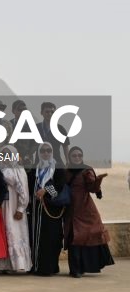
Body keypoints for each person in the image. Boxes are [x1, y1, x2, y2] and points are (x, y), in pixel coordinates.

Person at [63, 146, 114, 278]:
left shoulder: (86, 170)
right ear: (70, 157)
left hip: (85, 210)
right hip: (70, 210)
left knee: (87, 236)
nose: (77, 158)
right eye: (74, 155)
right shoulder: (66, 171)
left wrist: (98, 181)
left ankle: (82, 268)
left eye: (79, 155)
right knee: (73, 238)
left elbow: (92, 187)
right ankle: (74, 270)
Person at [0, 145, 32, 273]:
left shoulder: (19, 170)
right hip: (3, 206)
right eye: (3, 154)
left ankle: (18, 264)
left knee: (15, 233)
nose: (5, 157)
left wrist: (21, 208)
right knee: (3, 233)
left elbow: (24, 191)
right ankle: (2, 266)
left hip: (14, 206)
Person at [29, 143, 66, 276]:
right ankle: (37, 266)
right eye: (43, 151)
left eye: (48, 150)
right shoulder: (35, 169)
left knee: (52, 238)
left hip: (52, 211)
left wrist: (46, 190)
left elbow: (60, 187)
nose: (45, 153)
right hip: (37, 211)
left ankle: (50, 267)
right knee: (36, 238)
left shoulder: (58, 168)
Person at [36, 102, 70, 166]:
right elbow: (29, 146)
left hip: (57, 163)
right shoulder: (36, 128)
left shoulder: (60, 129)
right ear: (41, 113)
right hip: (39, 163)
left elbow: (65, 147)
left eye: (52, 112)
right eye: (47, 112)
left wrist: (68, 161)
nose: (50, 114)